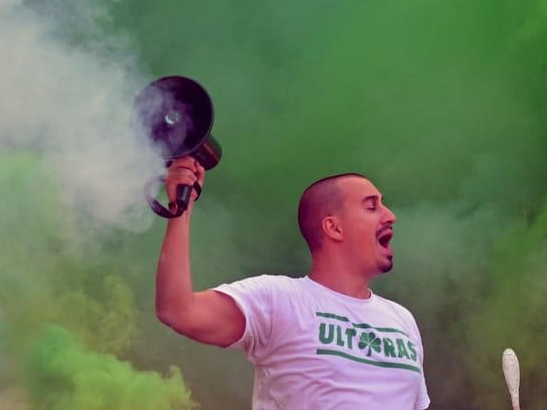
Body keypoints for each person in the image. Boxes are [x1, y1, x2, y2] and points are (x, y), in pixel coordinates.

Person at [154, 157, 430, 409]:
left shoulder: (402, 320)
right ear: (334, 228)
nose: (390, 215)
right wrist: (181, 209)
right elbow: (178, 310)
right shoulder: (279, 299)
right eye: (371, 206)